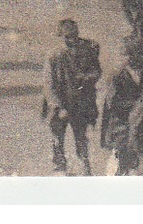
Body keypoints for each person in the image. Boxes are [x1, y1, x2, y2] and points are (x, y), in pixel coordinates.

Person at [43, 18, 102, 175]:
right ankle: (59, 165)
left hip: (80, 102)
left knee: (81, 136)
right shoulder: (54, 56)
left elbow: (97, 71)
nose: (72, 40)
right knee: (57, 136)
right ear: (60, 36)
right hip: (60, 103)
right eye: (67, 37)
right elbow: (49, 85)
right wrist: (58, 106)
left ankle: (84, 163)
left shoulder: (88, 50)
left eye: (74, 36)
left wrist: (88, 77)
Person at [100, 36, 143, 176]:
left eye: (139, 53)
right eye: (127, 54)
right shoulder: (117, 75)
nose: (137, 58)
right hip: (121, 125)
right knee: (121, 162)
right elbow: (112, 104)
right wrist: (140, 102)